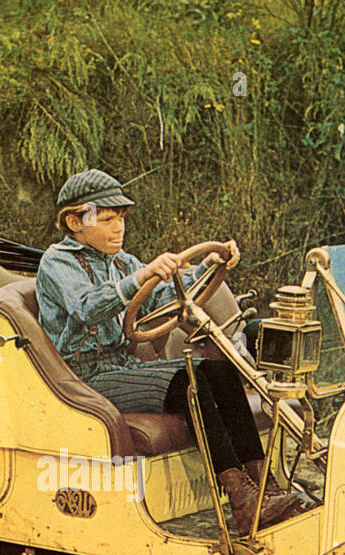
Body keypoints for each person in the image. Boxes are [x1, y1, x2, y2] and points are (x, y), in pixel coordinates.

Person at [35, 169, 302, 535]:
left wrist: (208, 268)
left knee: (219, 370)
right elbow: (86, 306)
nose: (118, 228)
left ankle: (265, 487)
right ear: (74, 221)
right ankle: (241, 499)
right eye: (108, 219)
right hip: (84, 378)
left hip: (122, 366)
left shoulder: (122, 262)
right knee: (190, 380)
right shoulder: (58, 262)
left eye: (122, 219)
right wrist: (140, 278)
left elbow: (165, 297)